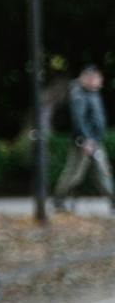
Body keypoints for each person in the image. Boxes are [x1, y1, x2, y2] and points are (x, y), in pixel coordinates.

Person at [53, 63, 113, 213]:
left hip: (95, 141)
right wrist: (86, 140)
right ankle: (59, 200)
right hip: (83, 142)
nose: (100, 81)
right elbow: (78, 120)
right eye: (97, 78)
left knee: (103, 172)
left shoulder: (93, 92)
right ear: (87, 78)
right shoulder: (78, 93)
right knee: (74, 173)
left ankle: (113, 200)